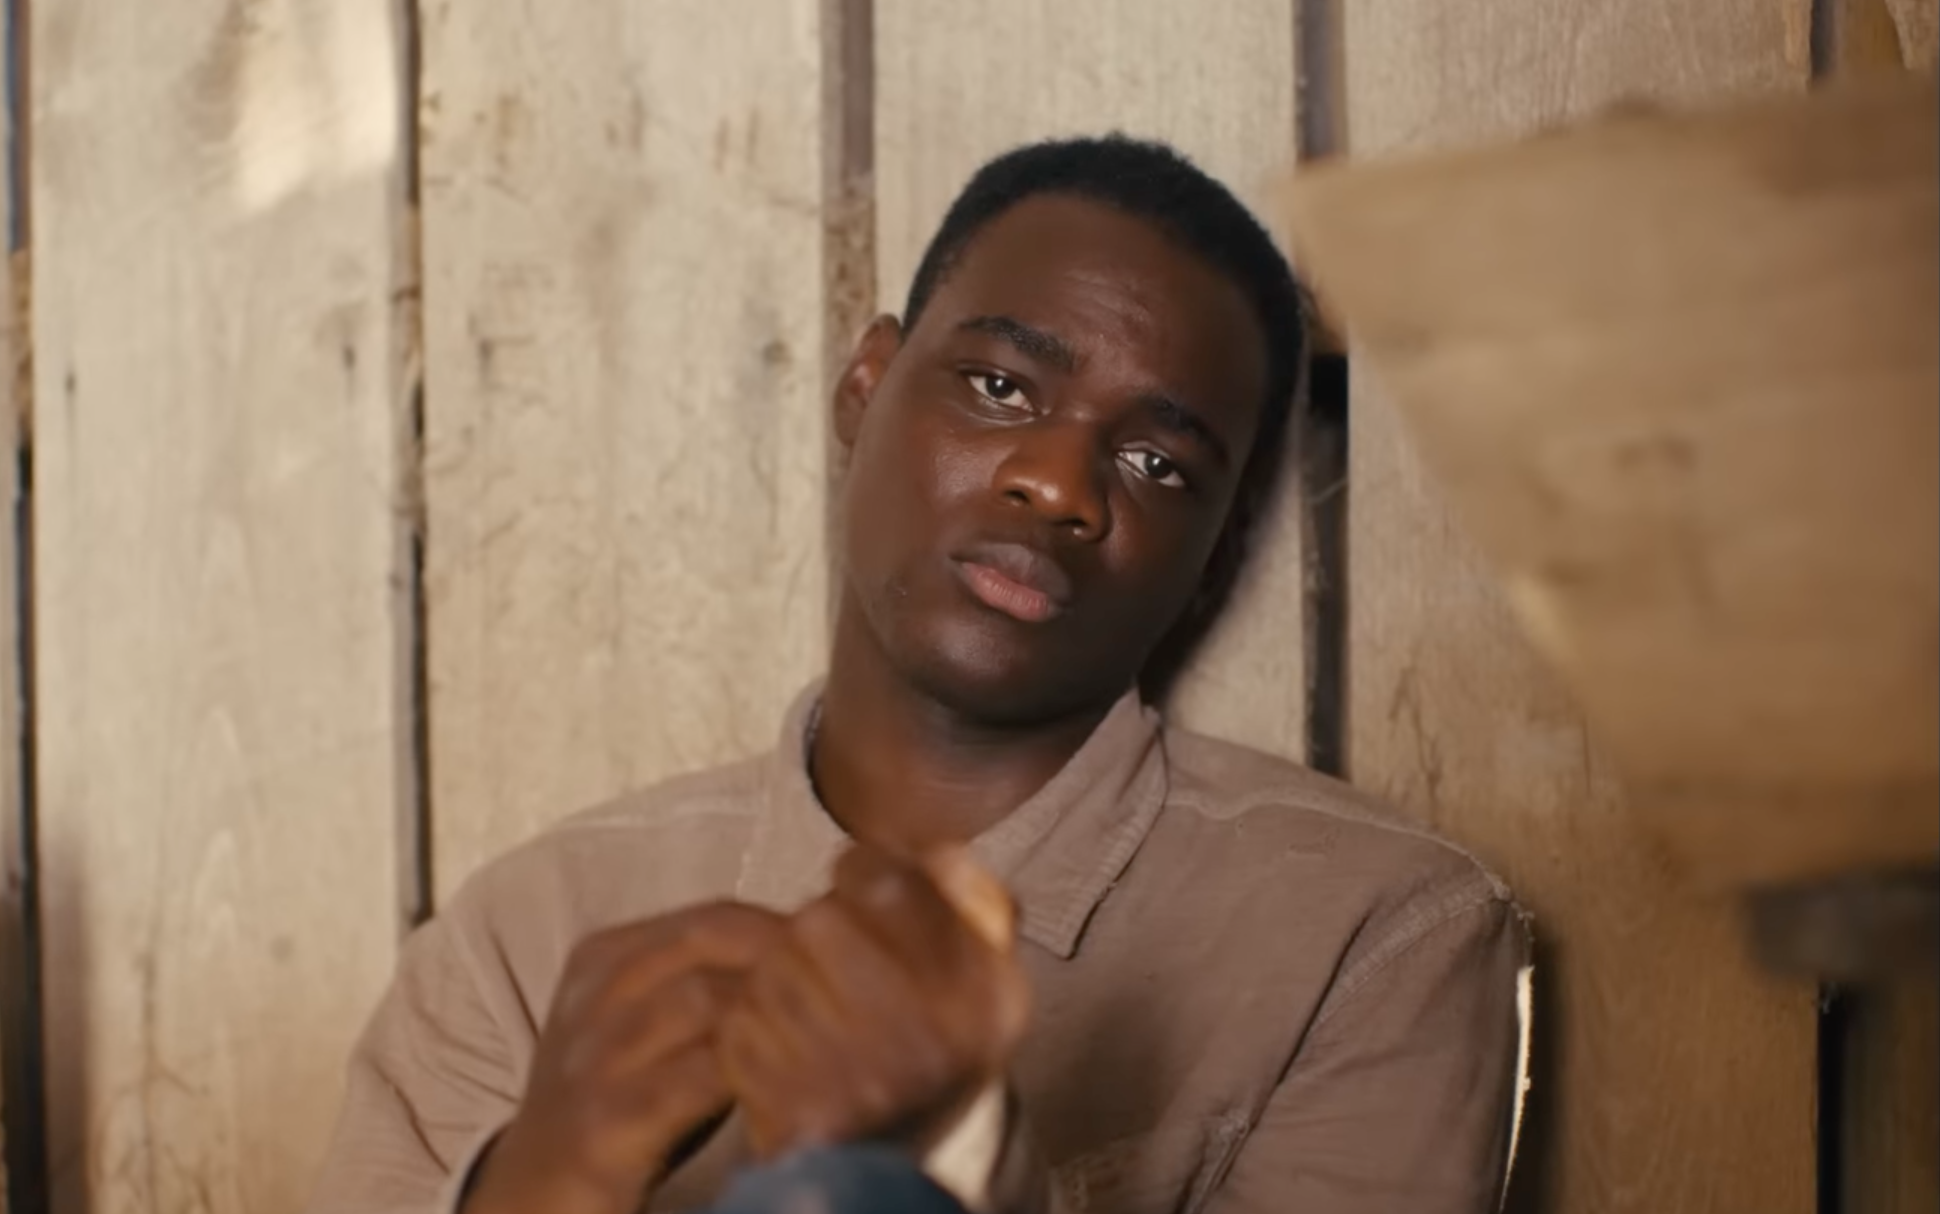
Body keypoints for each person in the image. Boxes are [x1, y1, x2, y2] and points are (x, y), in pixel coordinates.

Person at [309, 134, 1528, 1214]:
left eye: (1158, 463)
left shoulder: (1365, 934)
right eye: (1001, 387)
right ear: (866, 386)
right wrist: (545, 1181)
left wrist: (953, 1158)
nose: (1058, 482)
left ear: (1216, 551)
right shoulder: (530, 935)